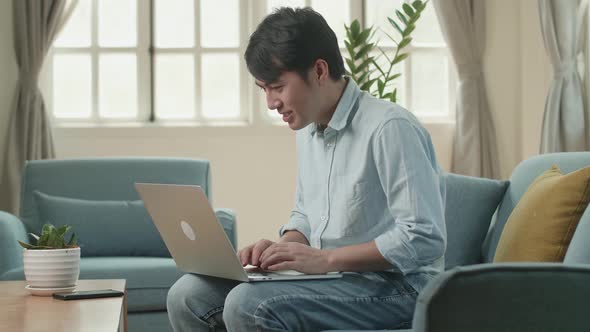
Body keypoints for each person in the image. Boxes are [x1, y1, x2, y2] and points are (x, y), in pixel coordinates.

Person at [167, 7, 446, 331]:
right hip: (334, 278)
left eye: (277, 87)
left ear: (319, 71)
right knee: (187, 295)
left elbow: (423, 237)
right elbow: (306, 215)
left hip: (399, 288)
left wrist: (326, 260)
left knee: (248, 305)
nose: (271, 103)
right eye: (264, 89)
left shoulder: (389, 127)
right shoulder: (310, 130)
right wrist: (285, 247)